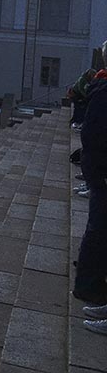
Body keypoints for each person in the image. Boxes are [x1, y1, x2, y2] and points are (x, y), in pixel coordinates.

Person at [75, 45, 107, 305]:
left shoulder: (100, 87)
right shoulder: (104, 90)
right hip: (101, 170)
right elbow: (95, 135)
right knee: (99, 229)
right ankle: (89, 285)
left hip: (97, 168)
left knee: (98, 227)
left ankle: (91, 280)